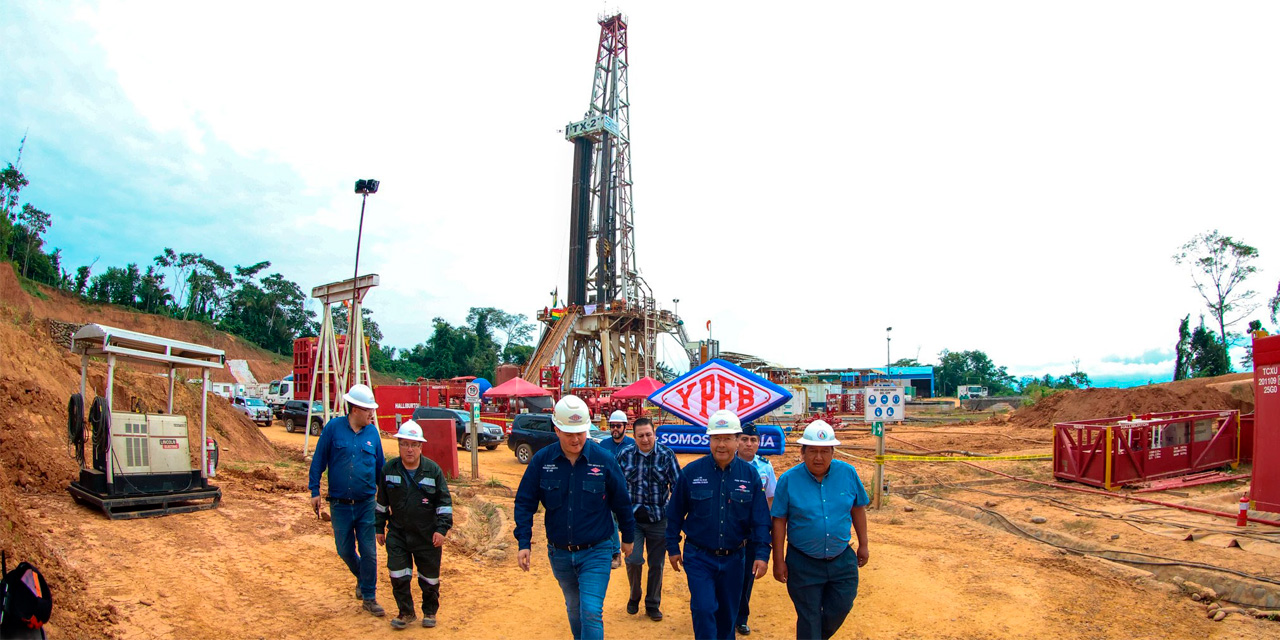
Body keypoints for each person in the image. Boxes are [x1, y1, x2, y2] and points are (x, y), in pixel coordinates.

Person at [513, 395, 636, 640]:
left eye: (580, 432)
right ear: (556, 428)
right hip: (559, 553)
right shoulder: (542, 461)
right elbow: (525, 502)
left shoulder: (603, 461)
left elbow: (621, 500)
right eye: (569, 432)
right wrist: (524, 542)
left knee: (591, 612)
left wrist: (628, 536)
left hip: (597, 550)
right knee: (574, 608)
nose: (576, 438)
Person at [666, 410, 770, 640]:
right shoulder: (691, 473)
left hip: (735, 559)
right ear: (709, 440)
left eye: (727, 438)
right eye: (716, 438)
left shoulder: (750, 476)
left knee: (727, 617)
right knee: (703, 609)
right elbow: (674, 513)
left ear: (736, 440)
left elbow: (761, 518)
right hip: (699, 557)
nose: (721, 444)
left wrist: (762, 553)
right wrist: (672, 547)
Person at [771, 420, 870, 640]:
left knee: (841, 606)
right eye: (813, 451)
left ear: (833, 452)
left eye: (825, 451)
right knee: (808, 616)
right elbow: (779, 520)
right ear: (802, 452)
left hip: (841, 559)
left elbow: (858, 508)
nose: (819, 457)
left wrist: (863, 544)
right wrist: (778, 560)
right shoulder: (788, 480)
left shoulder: (848, 473)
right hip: (803, 562)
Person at [308, 384, 387, 617]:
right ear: (354, 409)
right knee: (344, 550)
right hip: (340, 505)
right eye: (368, 410)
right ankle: (363, 578)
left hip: (366, 505)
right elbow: (319, 460)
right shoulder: (333, 429)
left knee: (370, 552)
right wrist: (314, 490)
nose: (371, 414)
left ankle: (369, 597)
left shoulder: (373, 433)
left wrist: (385, 501)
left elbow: (380, 468)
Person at [375, 421, 453, 630]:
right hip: (398, 533)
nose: (409, 449)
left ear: (421, 447)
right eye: (404, 444)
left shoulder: (432, 471)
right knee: (398, 574)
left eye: (414, 445)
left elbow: (444, 503)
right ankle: (406, 612)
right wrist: (378, 528)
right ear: (399, 445)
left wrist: (441, 529)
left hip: (427, 535)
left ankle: (429, 612)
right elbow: (382, 501)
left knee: (429, 579)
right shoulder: (389, 469)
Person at [614, 417, 681, 621]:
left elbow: (678, 486)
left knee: (656, 564)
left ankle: (653, 603)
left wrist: (672, 512)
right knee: (633, 560)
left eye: (648, 434)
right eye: (640, 435)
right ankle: (635, 595)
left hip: (659, 519)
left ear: (655, 434)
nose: (645, 439)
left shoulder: (666, 455)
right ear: (633, 437)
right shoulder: (624, 455)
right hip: (632, 520)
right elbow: (615, 486)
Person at [734, 422, 776, 636]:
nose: (749, 444)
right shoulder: (728, 464)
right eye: (744, 439)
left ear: (759, 443)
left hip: (753, 531)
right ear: (737, 441)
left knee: (747, 577)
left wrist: (764, 528)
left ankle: (741, 617)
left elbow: (770, 499)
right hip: (732, 529)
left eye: (753, 440)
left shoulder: (765, 467)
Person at [597, 409, 636, 569]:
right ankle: (615, 552)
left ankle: (632, 549)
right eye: (612, 426)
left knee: (627, 521)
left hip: (628, 491)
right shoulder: (604, 445)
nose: (615, 429)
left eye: (618, 426)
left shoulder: (633, 445)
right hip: (609, 491)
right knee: (610, 519)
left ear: (625, 427)